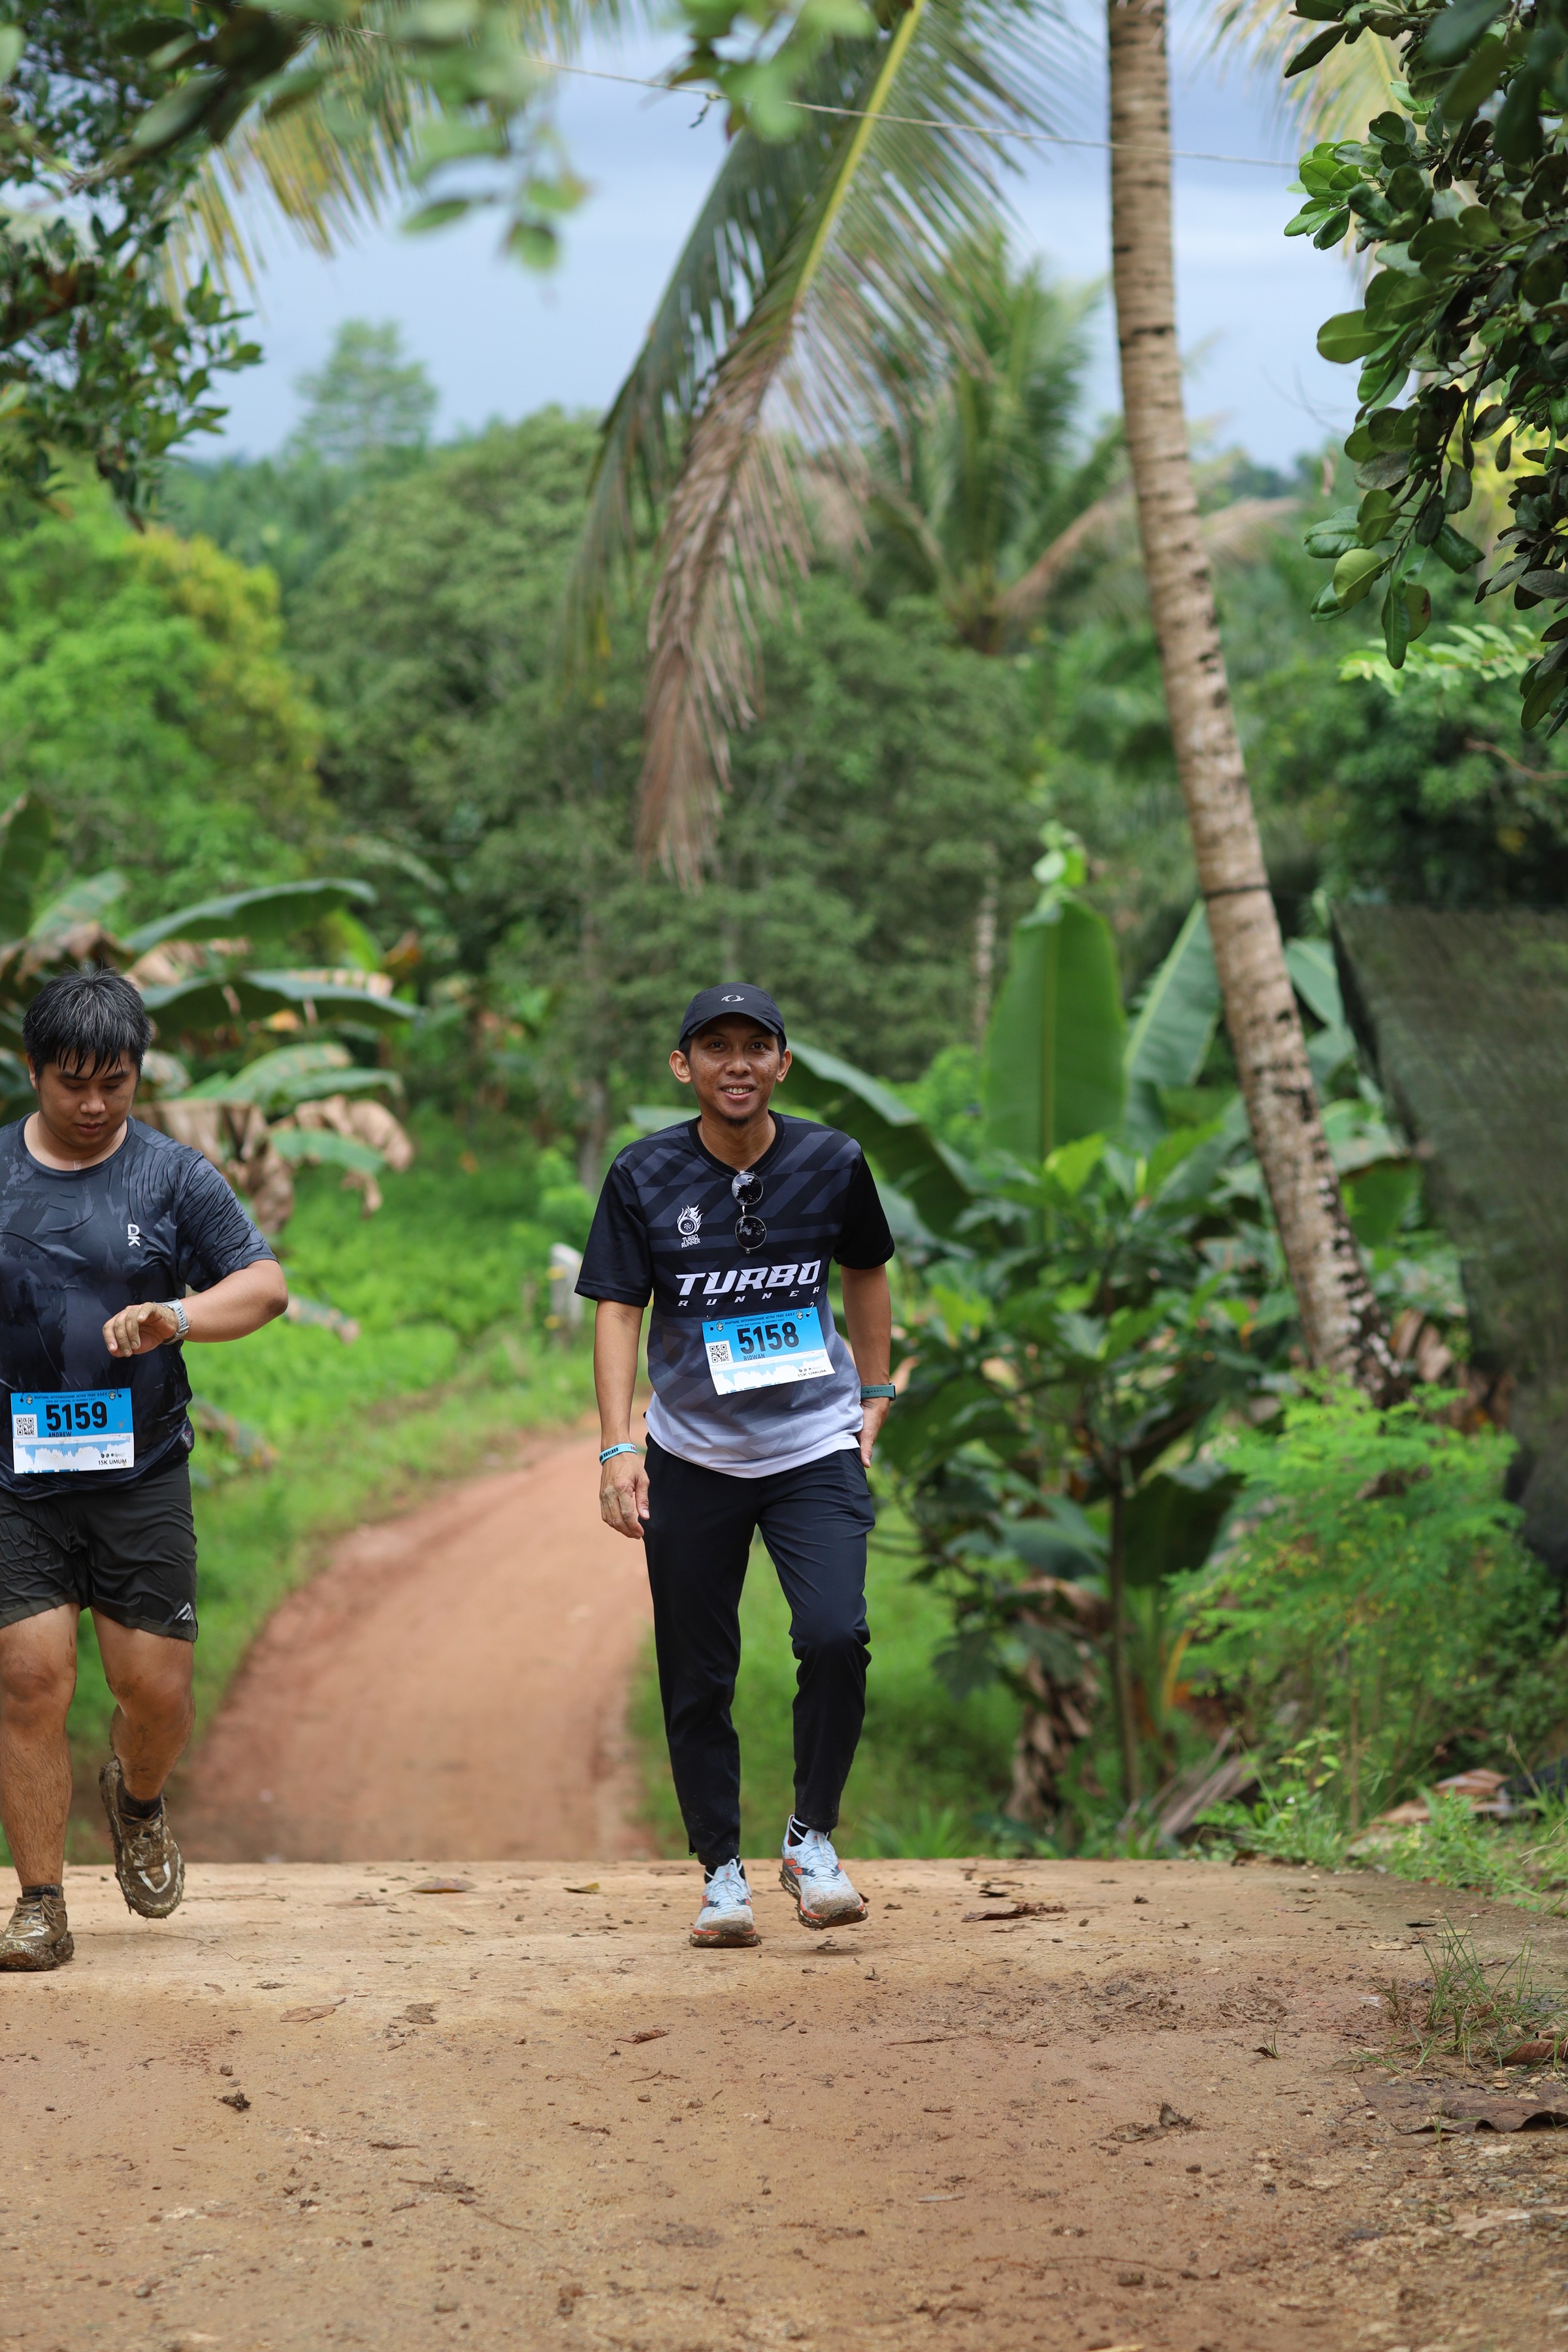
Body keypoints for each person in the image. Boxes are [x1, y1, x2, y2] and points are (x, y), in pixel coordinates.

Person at [580, 983, 896, 1949]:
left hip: (813, 1448)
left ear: (782, 1063)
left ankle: (811, 1840)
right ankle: (721, 1871)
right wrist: (618, 1444)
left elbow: (867, 1267)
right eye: (715, 1047)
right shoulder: (645, 1174)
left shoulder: (832, 1162)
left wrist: (875, 1392)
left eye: (756, 1046)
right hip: (693, 1458)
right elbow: (619, 1308)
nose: (737, 1064)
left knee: (836, 1635)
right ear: (684, 1066)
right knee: (698, 1673)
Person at [0, 969, 287, 1969]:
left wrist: (179, 1315)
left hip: (141, 1474)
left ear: (137, 1075)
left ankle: (139, 1800)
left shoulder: (173, 1177)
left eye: (114, 1084)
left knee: (154, 1693)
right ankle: (40, 1902)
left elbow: (265, 1284)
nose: (93, 1105)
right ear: (32, 1070)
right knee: (29, 1678)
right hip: (15, 1480)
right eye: (72, 1083)